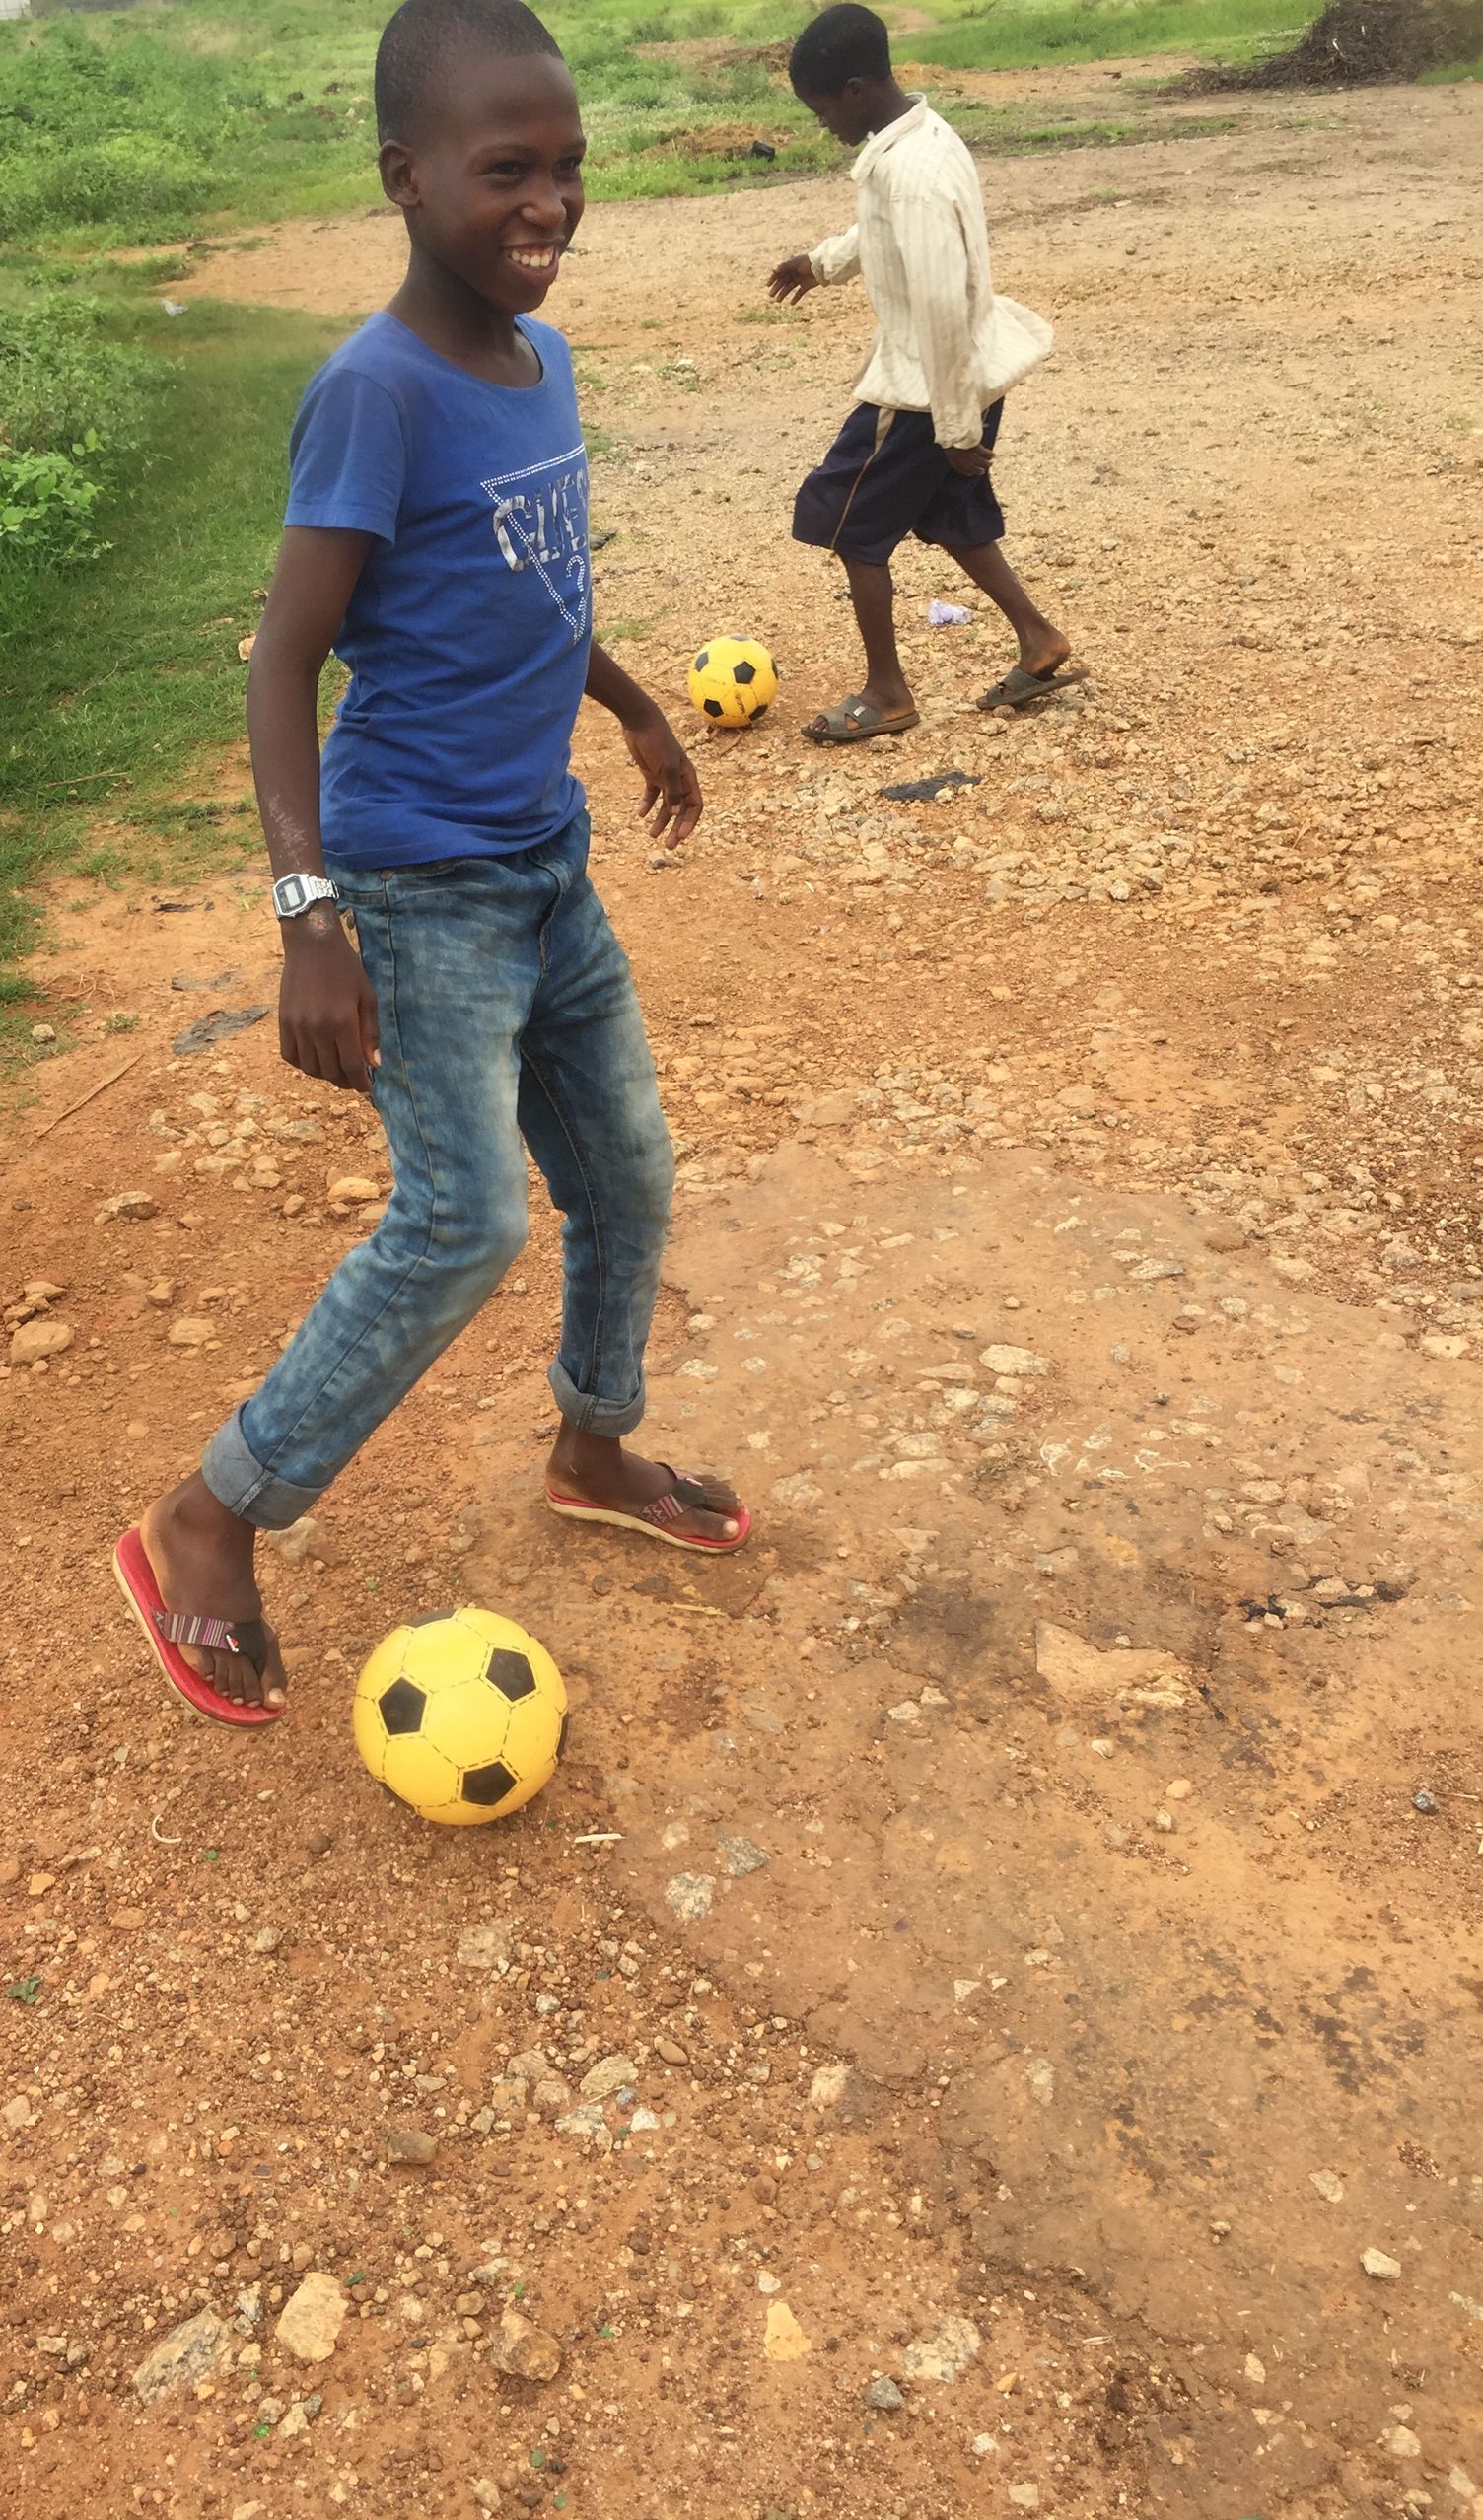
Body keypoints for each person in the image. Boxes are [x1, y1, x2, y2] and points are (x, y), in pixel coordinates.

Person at [114, 0, 752, 1726]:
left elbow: (531, 590)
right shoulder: (374, 393)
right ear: (405, 177)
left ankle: (592, 1450)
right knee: (464, 1218)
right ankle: (209, 1517)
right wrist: (307, 917)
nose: (548, 204)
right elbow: (281, 663)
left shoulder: (541, 363)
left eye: (567, 168)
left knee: (627, 1174)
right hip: (416, 888)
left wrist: (634, 708)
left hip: (545, 863)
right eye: (505, 170)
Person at [767, 2, 1079, 742]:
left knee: (848, 523)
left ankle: (887, 694)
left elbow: (938, 306)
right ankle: (1039, 640)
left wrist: (955, 428)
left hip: (924, 390)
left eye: (820, 109)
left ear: (854, 90)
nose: (822, 124)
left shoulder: (910, 175)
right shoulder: (922, 138)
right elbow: (884, 233)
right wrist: (821, 263)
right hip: (962, 371)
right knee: (947, 513)